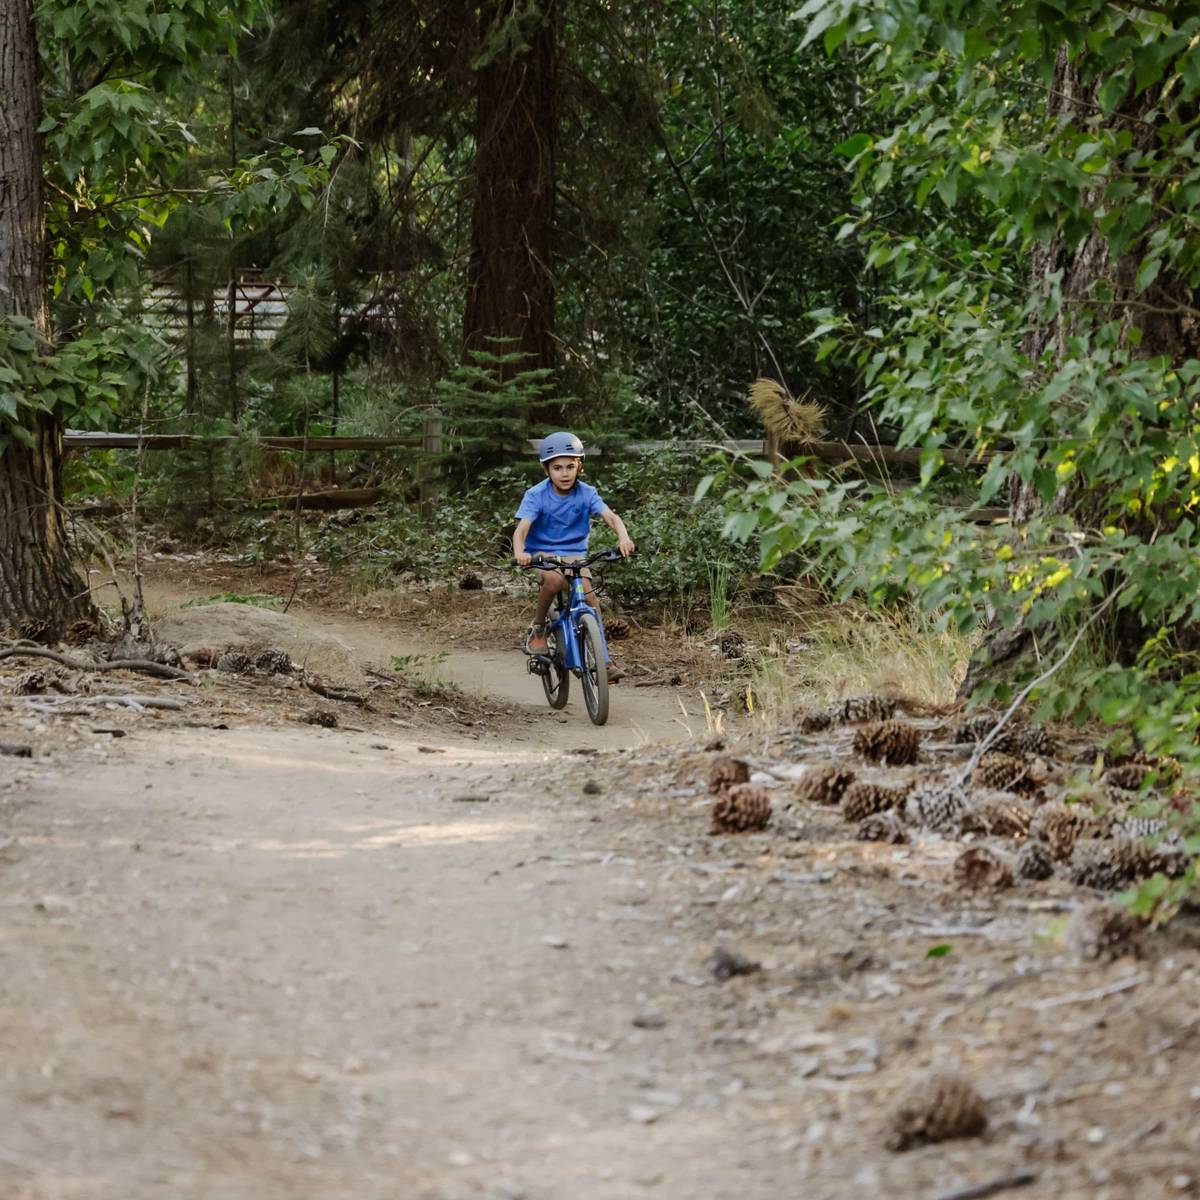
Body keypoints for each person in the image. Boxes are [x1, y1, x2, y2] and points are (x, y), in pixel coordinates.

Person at [512, 431, 635, 681]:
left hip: (574, 553)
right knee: (555, 581)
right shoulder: (536, 495)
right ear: (547, 470)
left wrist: (623, 536)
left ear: (580, 466)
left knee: (590, 600)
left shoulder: (586, 492)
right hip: (541, 551)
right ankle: (538, 629)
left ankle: (605, 661)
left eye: (570, 466)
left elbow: (611, 516)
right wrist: (520, 553)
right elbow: (521, 530)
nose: (564, 473)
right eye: (557, 468)